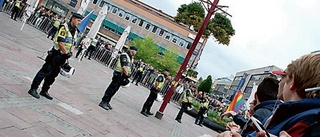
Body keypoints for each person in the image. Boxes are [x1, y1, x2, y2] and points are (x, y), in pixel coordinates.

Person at [219, 53, 320, 137]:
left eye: (283, 78)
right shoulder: (290, 113)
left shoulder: (307, 119)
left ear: (292, 82)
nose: (280, 83)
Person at [27, 13, 83, 100]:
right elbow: (60, 41)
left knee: (53, 75)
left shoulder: (75, 31)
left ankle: (44, 90)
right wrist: (65, 52)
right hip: (56, 54)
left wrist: (71, 52)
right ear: (73, 19)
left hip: (63, 57)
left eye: (80, 21)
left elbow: (73, 43)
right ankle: (33, 89)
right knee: (45, 71)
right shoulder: (64, 27)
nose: (79, 22)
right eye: (78, 20)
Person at [99, 46, 138, 110]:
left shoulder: (130, 57)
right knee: (111, 88)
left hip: (122, 76)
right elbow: (123, 66)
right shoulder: (124, 55)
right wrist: (127, 74)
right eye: (135, 51)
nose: (135, 53)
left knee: (115, 90)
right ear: (132, 50)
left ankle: (107, 101)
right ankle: (103, 101)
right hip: (118, 74)